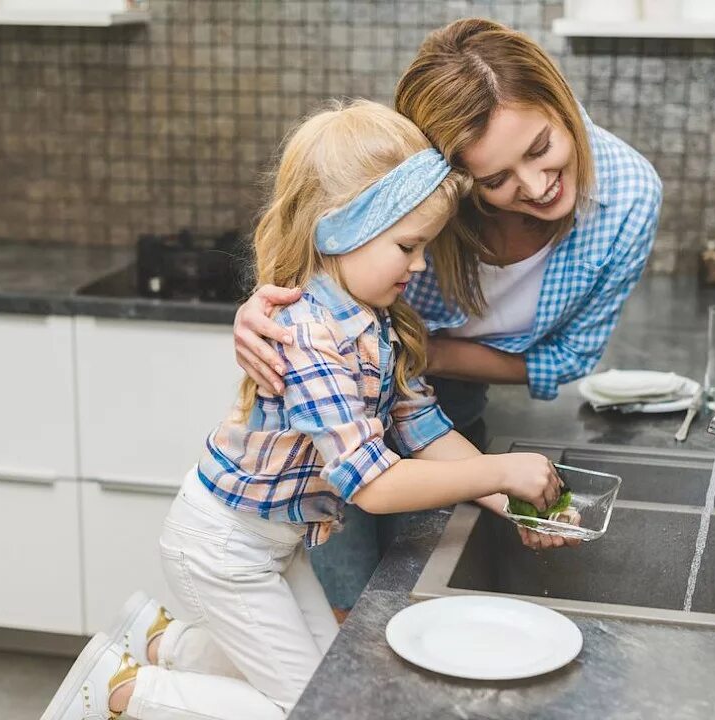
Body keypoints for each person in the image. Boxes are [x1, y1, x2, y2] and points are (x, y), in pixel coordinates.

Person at [40, 99, 566, 720]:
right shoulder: (308, 335)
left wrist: (512, 505)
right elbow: (371, 483)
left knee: (329, 689)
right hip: (222, 549)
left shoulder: (375, 320)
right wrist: (499, 473)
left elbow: (423, 430)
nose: (420, 263)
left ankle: (162, 642)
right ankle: (120, 694)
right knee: (311, 710)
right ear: (343, 231)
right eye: (408, 246)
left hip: (269, 547)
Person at [232, 18, 662, 606]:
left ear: (559, 99)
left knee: (414, 601)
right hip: (337, 407)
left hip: (428, 400)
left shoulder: (629, 196)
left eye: (541, 149)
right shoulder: (414, 193)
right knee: (347, 611)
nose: (536, 186)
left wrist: (415, 357)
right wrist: (269, 309)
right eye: (495, 179)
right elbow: (312, 242)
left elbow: (568, 359)